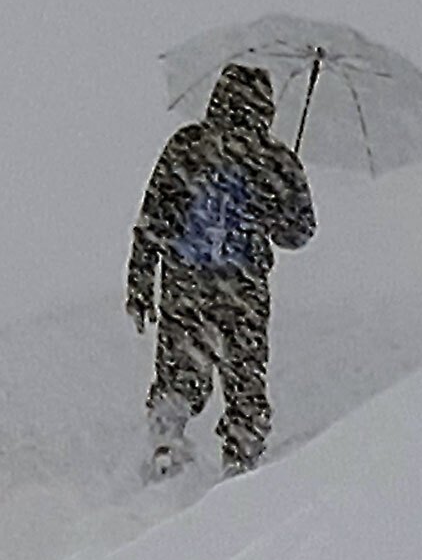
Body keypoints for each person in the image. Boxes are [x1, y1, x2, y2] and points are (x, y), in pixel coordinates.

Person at [126, 64, 314, 478]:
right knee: (244, 376)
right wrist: (279, 195)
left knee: (179, 371)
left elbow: (152, 217)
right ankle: (242, 459)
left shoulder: (187, 146)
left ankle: (166, 447)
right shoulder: (273, 160)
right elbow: (299, 232)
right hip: (241, 288)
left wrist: (140, 280)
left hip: (185, 279)